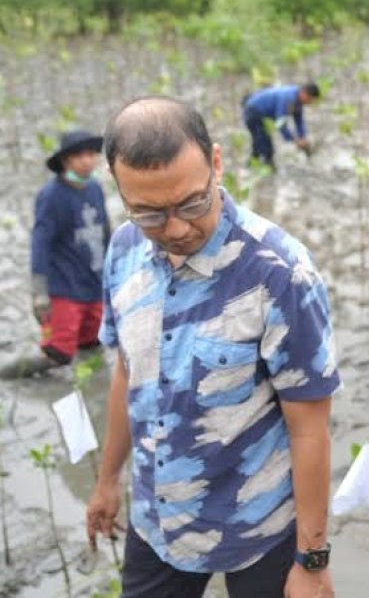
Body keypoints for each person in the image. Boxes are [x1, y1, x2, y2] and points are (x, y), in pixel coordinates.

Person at [85, 96, 340, 598]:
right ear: (121, 193)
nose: (176, 229)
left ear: (217, 163)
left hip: (258, 526)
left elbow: (309, 425)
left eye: (192, 203)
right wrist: (107, 479)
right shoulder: (123, 251)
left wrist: (312, 560)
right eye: (150, 213)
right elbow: (126, 373)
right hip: (156, 519)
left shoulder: (280, 274)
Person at [30, 129, 110, 368]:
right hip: (64, 287)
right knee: (58, 354)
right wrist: (39, 291)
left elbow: (106, 231)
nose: (87, 161)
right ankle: (8, 377)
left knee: (92, 345)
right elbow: (40, 242)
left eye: (91, 154)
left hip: (93, 284)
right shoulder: (51, 196)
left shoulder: (94, 188)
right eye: (79, 156)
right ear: (66, 161)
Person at [241, 82, 320, 169]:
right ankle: (267, 169)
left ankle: (251, 167)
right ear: (304, 93)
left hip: (259, 114)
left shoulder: (297, 99)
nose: (310, 102)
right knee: (266, 146)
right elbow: (280, 122)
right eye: (310, 99)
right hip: (252, 112)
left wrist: (303, 137)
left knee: (258, 144)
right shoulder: (289, 98)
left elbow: (299, 121)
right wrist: (294, 140)